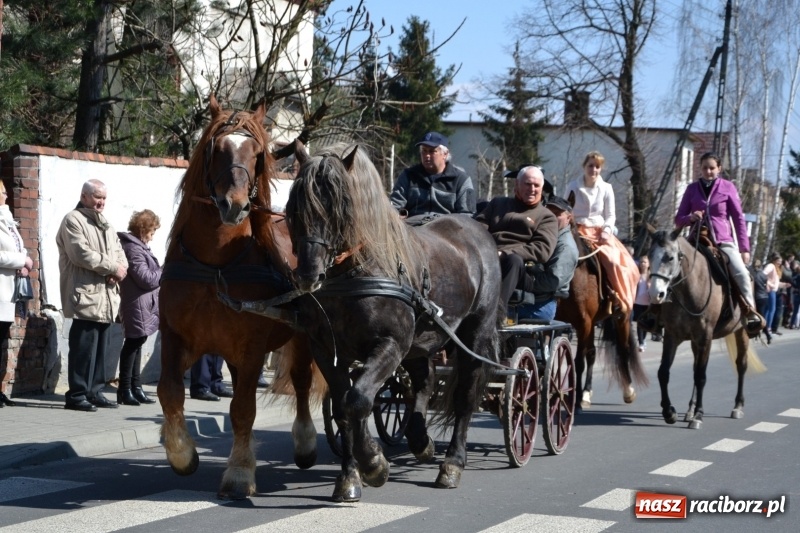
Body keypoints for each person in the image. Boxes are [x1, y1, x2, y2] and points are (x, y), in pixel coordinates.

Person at [57, 179, 128, 412]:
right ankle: (77, 394)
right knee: (83, 349)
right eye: (97, 197)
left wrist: (119, 271)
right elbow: (81, 254)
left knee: (101, 349)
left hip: (107, 297)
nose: (101, 202)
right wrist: (111, 267)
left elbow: (120, 253)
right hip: (85, 295)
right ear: (84, 196)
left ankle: (95, 391)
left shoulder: (106, 223)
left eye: (104, 198)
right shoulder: (73, 220)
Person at [674, 152, 764, 334]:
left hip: (722, 241)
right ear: (700, 168)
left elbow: (739, 219)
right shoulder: (692, 189)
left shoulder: (728, 187)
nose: (708, 171)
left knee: (741, 273)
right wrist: (690, 218)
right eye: (705, 168)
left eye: (712, 168)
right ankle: (659, 314)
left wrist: (744, 248)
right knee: (670, 267)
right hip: (695, 240)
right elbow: (678, 219)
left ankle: (750, 313)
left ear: (719, 169)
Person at [475, 166, 558, 317]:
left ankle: (494, 314)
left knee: (514, 261)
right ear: (517, 185)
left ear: (542, 188)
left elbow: (542, 249)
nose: (532, 189)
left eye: (536, 185)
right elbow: (478, 228)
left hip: (522, 270)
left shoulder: (547, 217)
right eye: (527, 184)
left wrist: (505, 253)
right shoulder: (497, 204)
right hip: (487, 256)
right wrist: (486, 251)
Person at [566, 150, 639, 316]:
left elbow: (611, 215)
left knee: (614, 262)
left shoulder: (606, 188)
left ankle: (616, 297)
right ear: (584, 166)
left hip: (599, 233)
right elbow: (566, 209)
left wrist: (606, 231)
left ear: (601, 169)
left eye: (597, 166)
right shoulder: (572, 186)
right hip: (577, 231)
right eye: (591, 165)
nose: (594, 169)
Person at [116, 209, 161, 406]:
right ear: (143, 230)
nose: (152, 238)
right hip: (135, 303)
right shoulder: (133, 249)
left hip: (142, 304)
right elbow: (146, 279)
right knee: (132, 344)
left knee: (138, 341)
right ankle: (124, 389)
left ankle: (136, 387)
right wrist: (165, 270)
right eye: (151, 233)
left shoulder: (140, 247)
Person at [0, 182, 34, 408]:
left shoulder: (7, 220)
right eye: (3, 192)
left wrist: (24, 261)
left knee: (2, 343)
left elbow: (17, 249)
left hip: (9, 292)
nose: (6, 196)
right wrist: (22, 261)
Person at [518, 195, 578, 321]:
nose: (552, 217)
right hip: (527, 298)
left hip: (540, 305)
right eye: (549, 213)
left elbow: (553, 281)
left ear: (568, 218)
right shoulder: (544, 235)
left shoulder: (566, 247)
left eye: (557, 214)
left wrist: (522, 281)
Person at [390, 131, 476, 216]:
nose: (427, 155)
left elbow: (467, 216)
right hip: (413, 226)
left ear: (445, 154)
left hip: (447, 227)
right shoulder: (408, 175)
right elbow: (394, 207)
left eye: (432, 151)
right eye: (424, 151)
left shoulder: (461, 180)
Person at [632, 256, 651, 351]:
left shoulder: (650, 276)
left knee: (645, 323)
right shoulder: (637, 275)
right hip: (637, 302)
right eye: (641, 262)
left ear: (648, 264)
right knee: (640, 323)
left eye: (644, 262)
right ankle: (641, 343)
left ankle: (643, 340)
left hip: (647, 304)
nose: (642, 264)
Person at [762, 252, 783, 338]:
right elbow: (763, 275)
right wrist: (770, 284)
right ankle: (768, 328)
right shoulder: (771, 266)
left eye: (780, 261)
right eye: (778, 261)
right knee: (771, 309)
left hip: (773, 290)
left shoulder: (776, 268)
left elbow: (776, 281)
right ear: (774, 260)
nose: (779, 262)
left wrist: (784, 284)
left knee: (768, 309)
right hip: (770, 290)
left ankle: (765, 327)